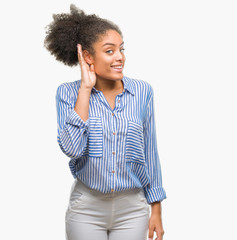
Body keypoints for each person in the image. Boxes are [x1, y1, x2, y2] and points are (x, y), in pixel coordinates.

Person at [44, 4, 166, 240]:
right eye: (109, 51)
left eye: (121, 49)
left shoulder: (142, 91)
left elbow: (150, 151)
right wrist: (86, 89)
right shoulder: (68, 93)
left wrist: (156, 209)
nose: (120, 56)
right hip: (87, 207)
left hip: (132, 208)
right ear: (88, 56)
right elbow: (71, 148)